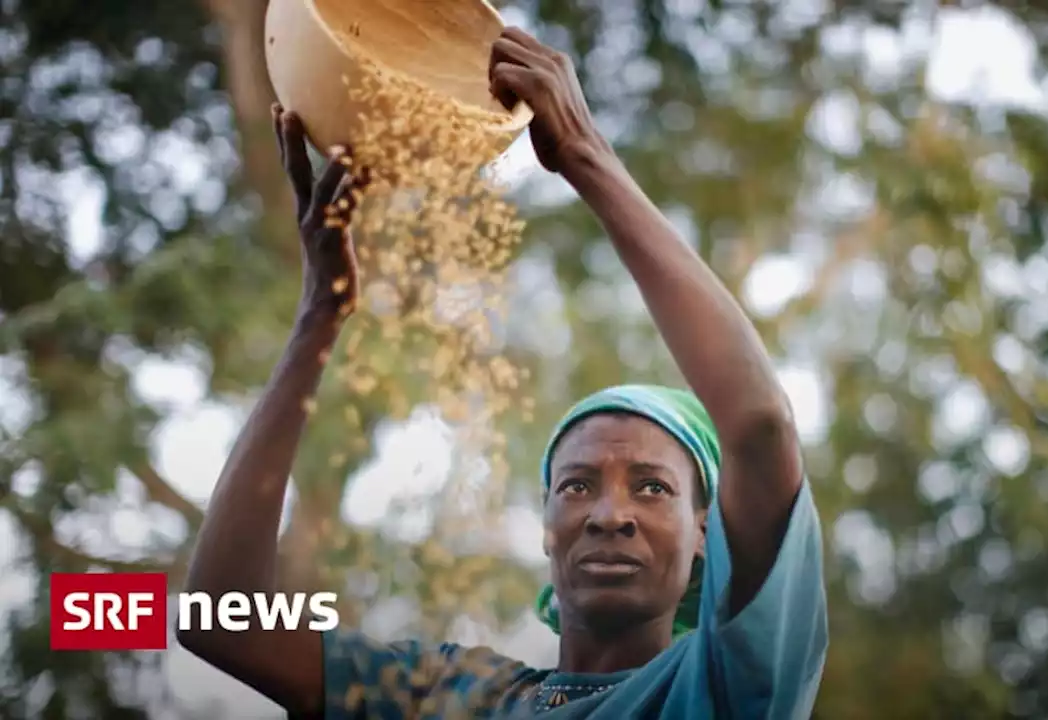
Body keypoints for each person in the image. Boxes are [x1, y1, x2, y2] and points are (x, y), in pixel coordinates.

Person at [179, 27, 828, 719]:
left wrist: (584, 154)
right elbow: (223, 620)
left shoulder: (726, 685)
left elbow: (758, 424)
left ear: (705, 533)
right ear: (545, 521)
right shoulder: (448, 694)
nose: (610, 516)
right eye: (576, 485)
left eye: (651, 486)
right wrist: (318, 317)